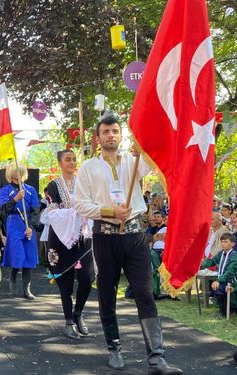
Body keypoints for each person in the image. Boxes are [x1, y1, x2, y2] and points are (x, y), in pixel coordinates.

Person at [74, 115, 181, 373]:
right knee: (108, 292)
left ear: (121, 136)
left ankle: (157, 358)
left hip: (135, 237)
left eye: (115, 131)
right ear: (98, 138)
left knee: (144, 292)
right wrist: (111, 212)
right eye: (106, 131)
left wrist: (144, 146)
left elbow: (160, 154)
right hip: (105, 237)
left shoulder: (135, 163)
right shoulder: (88, 168)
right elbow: (80, 204)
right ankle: (114, 348)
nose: (111, 135)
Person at [42, 149, 94, 339]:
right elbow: (53, 213)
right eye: (67, 159)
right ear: (60, 163)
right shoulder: (53, 186)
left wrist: (84, 211)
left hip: (83, 237)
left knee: (88, 278)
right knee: (64, 281)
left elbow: (92, 204)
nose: (72, 162)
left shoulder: (85, 183)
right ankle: (68, 321)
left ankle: (78, 313)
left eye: (74, 159)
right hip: (60, 238)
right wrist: (76, 213)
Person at [0, 163, 40, 300]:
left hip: (28, 224)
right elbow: (4, 210)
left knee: (28, 256)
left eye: (21, 171)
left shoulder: (31, 190)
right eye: (16, 171)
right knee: (18, 254)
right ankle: (13, 276)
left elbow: (35, 210)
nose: (19, 173)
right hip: (14, 223)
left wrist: (31, 227)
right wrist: (16, 198)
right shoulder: (5, 191)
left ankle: (26, 289)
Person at [199, 232, 237, 316]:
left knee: (218, 286)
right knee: (217, 287)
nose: (223, 244)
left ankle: (225, 311)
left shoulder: (234, 255)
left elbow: (230, 272)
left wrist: (218, 280)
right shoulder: (221, 253)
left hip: (232, 282)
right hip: (224, 279)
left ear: (233, 244)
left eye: (226, 242)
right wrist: (200, 266)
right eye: (222, 241)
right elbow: (212, 261)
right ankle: (225, 309)